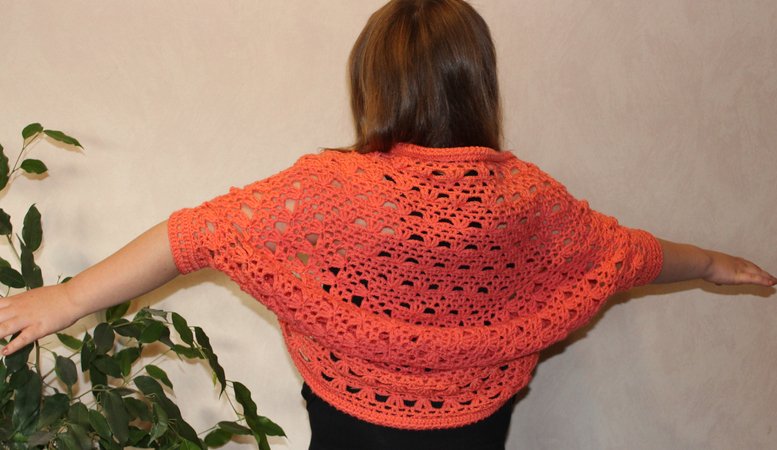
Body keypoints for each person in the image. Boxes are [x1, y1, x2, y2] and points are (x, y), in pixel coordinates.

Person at [1, 0, 774, 449]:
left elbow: (188, 237)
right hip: (475, 425)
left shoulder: (326, 190)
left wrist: (66, 299)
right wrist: (710, 263)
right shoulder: (526, 199)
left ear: (373, 87)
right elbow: (630, 254)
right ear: (479, 86)